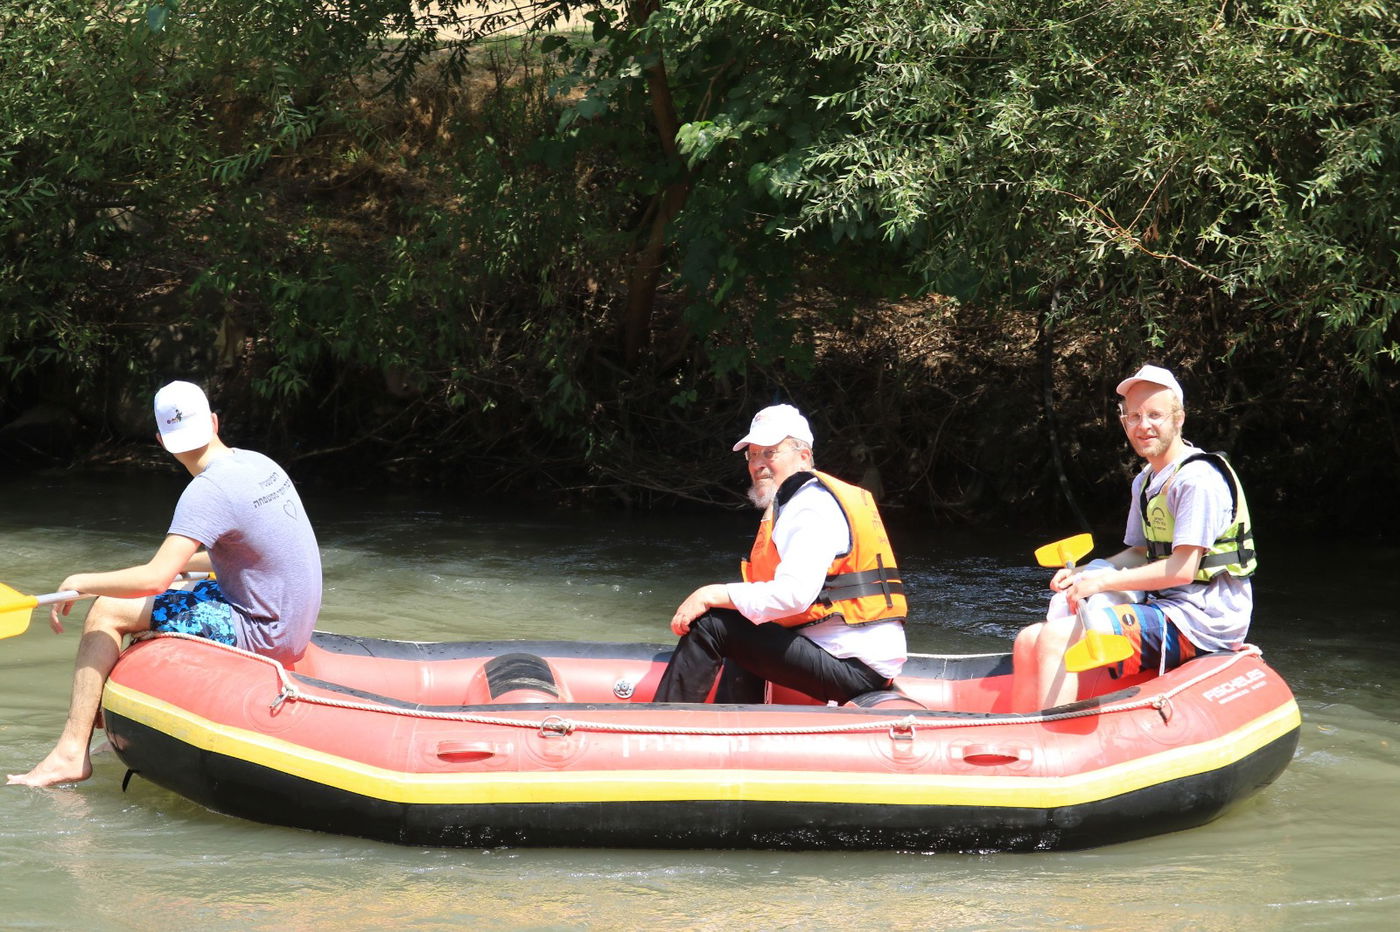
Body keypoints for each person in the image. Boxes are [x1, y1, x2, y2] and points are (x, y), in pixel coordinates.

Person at [8, 380, 322, 786]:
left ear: (161, 440)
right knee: (169, 594)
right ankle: (117, 732)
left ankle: (70, 752)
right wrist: (169, 566)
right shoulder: (258, 464)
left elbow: (154, 579)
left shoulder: (207, 491)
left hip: (262, 632)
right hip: (290, 624)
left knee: (107, 608)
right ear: (213, 421)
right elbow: (240, 553)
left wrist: (84, 581)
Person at [1012, 365, 1256, 712]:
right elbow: (1141, 552)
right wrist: (1082, 573)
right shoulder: (1144, 480)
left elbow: (1182, 571)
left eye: (1155, 415)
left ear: (1179, 418)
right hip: (1165, 606)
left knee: (1054, 639)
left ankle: (1054, 743)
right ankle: (1024, 738)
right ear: (1124, 421)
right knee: (1028, 640)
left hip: (1202, 620)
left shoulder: (1197, 481)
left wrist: (1102, 583)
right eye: (1135, 416)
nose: (1144, 426)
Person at [651, 404, 908, 704]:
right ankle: (735, 728)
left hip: (855, 668)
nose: (757, 463)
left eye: (770, 452)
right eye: (753, 454)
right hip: (850, 660)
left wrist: (711, 594)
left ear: (803, 456)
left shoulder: (811, 506)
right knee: (743, 617)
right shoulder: (801, 501)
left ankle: (662, 726)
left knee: (712, 624)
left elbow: (794, 596)